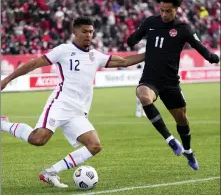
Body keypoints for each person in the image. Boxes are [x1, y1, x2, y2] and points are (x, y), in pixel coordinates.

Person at [1, 17, 145, 188]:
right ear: (74, 32)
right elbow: (34, 63)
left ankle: (51, 172)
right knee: (38, 139)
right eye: (84, 31)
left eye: (91, 32)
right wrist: (7, 79)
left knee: (94, 145)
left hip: (78, 112)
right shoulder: (63, 50)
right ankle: (3, 124)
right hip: (60, 104)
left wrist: (151, 54)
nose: (88, 35)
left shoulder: (95, 56)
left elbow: (126, 61)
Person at [127, 0, 219, 170]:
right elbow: (133, 39)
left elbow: (199, 46)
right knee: (143, 95)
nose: (164, 14)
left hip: (170, 82)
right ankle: (170, 140)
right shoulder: (150, 23)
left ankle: (188, 151)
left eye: (168, 10)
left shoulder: (183, 29)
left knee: (182, 119)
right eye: (162, 10)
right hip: (151, 78)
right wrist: (132, 38)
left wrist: (212, 57)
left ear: (176, 9)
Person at [135, 46, 146, 117]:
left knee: (149, 95)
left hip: (151, 77)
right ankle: (138, 110)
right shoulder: (142, 50)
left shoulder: (155, 48)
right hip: (142, 76)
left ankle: (146, 111)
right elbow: (137, 64)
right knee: (140, 94)